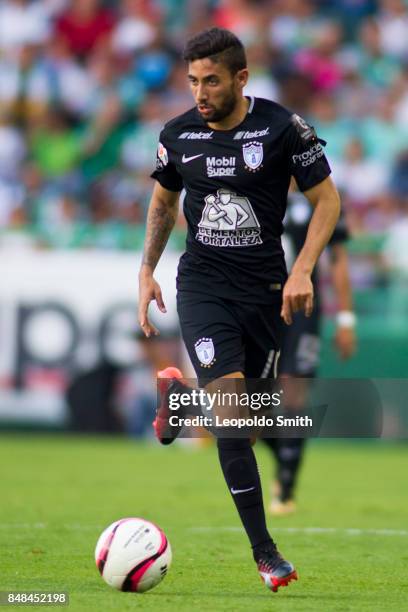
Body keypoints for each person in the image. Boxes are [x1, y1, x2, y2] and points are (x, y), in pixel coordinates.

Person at [138, 27, 340, 593]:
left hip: (267, 293)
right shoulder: (177, 135)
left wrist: (301, 269)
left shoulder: (282, 128)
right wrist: (146, 270)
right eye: (193, 82)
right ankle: (266, 553)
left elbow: (328, 201)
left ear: (241, 78)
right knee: (232, 420)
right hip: (203, 286)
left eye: (211, 81)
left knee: (248, 428)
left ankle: (180, 405)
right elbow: (163, 200)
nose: (200, 93)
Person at [264, 182, 356, 516]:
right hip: (260, 308)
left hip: (303, 309)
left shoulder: (325, 199)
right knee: (248, 406)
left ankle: (286, 488)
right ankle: (283, 454)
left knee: (294, 393)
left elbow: (339, 261)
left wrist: (345, 318)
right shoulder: (257, 186)